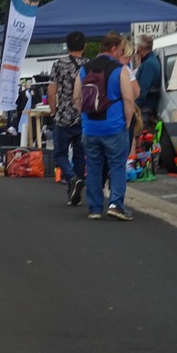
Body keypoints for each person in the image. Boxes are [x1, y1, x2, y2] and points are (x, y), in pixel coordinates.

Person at [73, 32, 135, 221]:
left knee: (93, 167)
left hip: (90, 128)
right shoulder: (120, 69)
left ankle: (94, 208)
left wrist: (84, 117)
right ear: (114, 48)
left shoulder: (84, 69)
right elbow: (128, 99)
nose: (122, 54)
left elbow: (76, 98)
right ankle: (116, 204)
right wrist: (128, 122)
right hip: (114, 126)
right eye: (121, 50)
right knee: (117, 166)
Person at [46, 31, 88, 205]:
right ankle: (74, 188)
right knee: (79, 155)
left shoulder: (58, 64)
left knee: (60, 154)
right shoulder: (89, 65)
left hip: (63, 115)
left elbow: (51, 91)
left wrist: (53, 110)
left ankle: (71, 178)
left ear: (67, 45)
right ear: (84, 47)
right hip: (83, 115)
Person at [134, 34, 160, 129]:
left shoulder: (149, 64)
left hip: (145, 106)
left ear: (140, 48)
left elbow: (143, 88)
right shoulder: (151, 61)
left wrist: (135, 106)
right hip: (147, 104)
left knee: (139, 132)